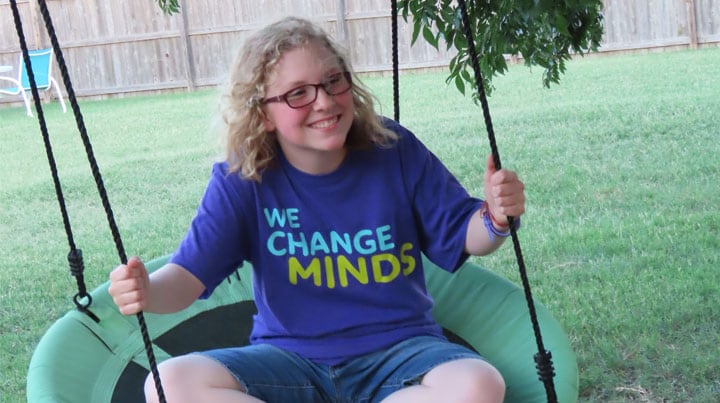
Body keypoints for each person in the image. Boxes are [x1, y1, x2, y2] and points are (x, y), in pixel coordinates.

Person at [108, 16, 525, 403]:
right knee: (168, 383)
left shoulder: (391, 149)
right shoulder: (246, 178)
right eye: (298, 93)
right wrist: (146, 291)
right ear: (263, 113)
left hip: (401, 351)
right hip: (290, 361)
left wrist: (495, 215)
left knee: (479, 384)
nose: (323, 102)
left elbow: (468, 233)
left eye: (333, 82)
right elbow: (187, 278)